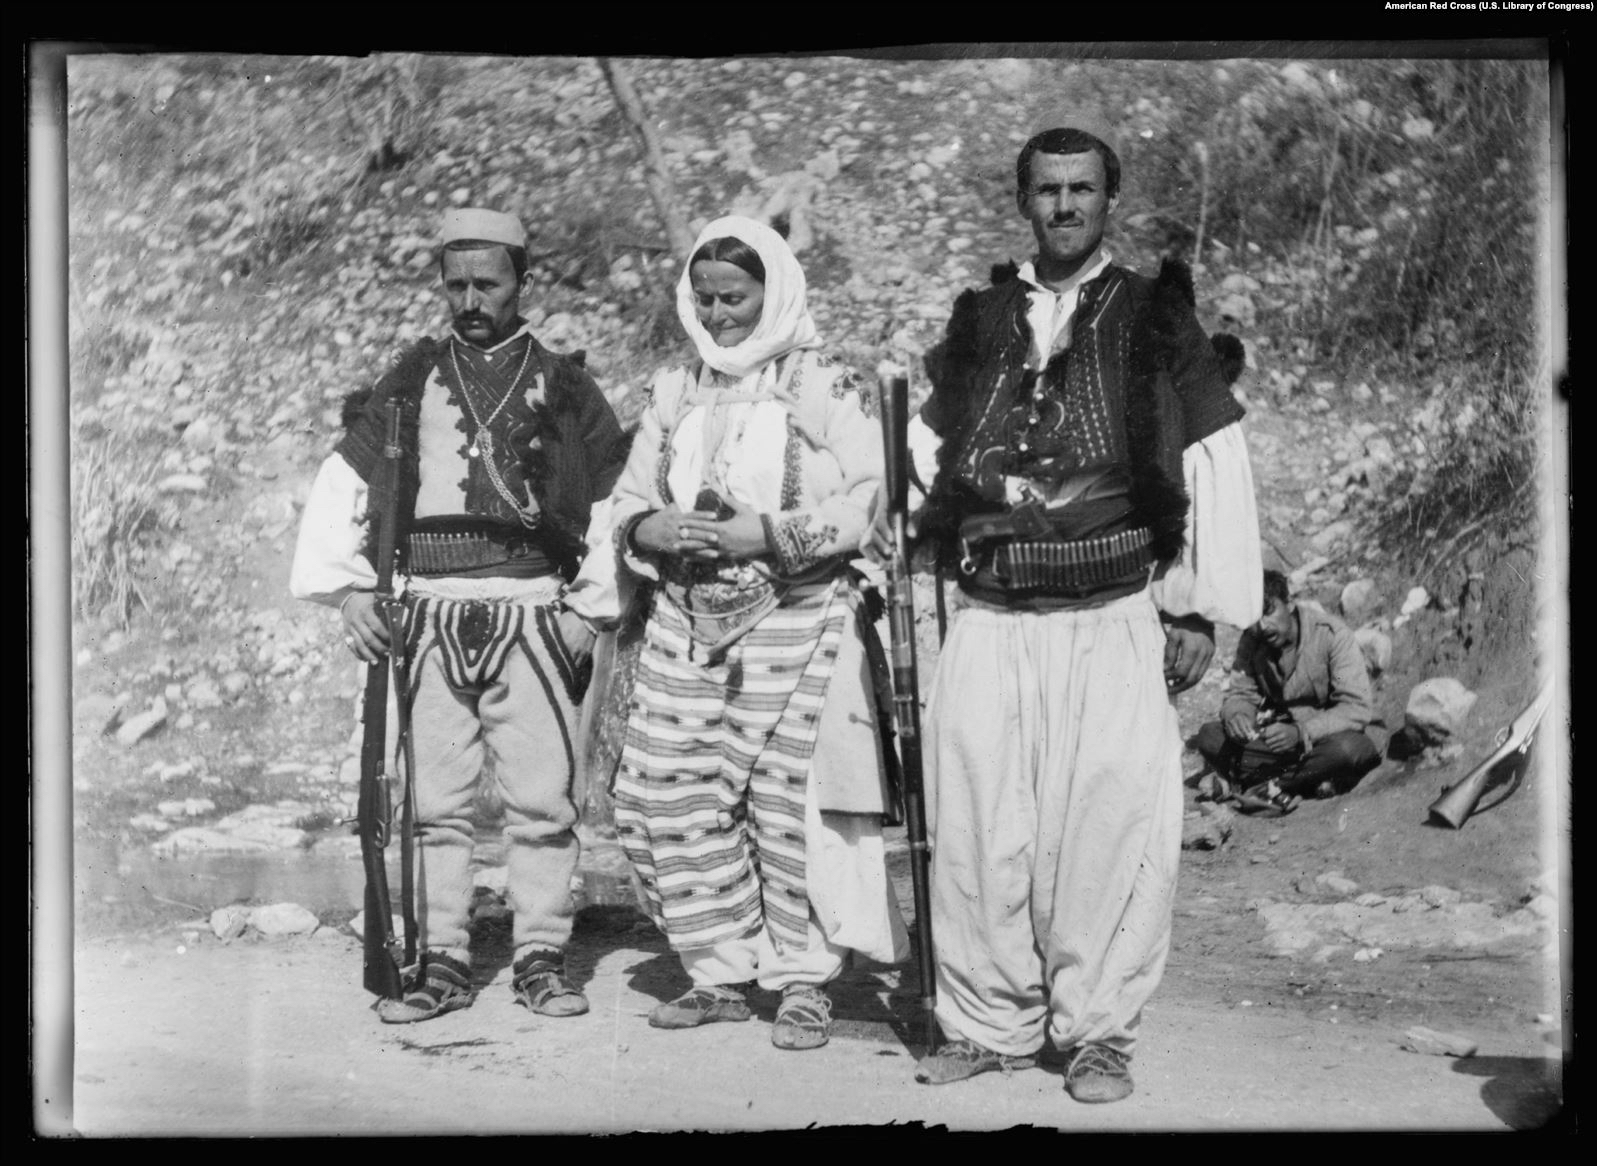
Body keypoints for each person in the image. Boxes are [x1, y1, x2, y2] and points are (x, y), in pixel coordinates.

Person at [905, 128, 1262, 1102]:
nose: (1063, 207)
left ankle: (1098, 1028)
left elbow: (1210, 453)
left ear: (1109, 200)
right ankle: (988, 1022)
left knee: (1108, 820)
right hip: (989, 610)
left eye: (1081, 190)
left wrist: (1196, 607)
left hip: (1109, 611)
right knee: (980, 822)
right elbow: (923, 448)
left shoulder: (1152, 315)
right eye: (1046, 191)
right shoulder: (979, 317)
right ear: (1022, 201)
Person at [571, 214, 908, 1051]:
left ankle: (802, 981)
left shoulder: (825, 382)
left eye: (736, 297)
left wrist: (766, 535)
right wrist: (649, 530)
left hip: (799, 615)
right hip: (687, 621)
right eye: (705, 298)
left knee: (788, 802)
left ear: (775, 292)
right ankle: (718, 970)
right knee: (662, 794)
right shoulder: (675, 388)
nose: (719, 315)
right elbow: (626, 498)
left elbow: (873, 495)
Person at [290, 208, 629, 1024]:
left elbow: (621, 498)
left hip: (536, 616)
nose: (471, 299)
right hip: (430, 615)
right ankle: (441, 959)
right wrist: (350, 591)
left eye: (488, 283)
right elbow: (344, 482)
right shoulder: (408, 379)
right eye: (456, 285)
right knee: (434, 805)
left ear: (521, 281)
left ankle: (541, 955)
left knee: (544, 803)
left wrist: (591, 611)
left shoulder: (566, 382)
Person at [1194, 569, 1385, 812]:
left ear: (1290, 603)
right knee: (1210, 736)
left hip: (1331, 737)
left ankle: (1262, 786)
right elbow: (1241, 694)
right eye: (1253, 618)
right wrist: (1237, 716)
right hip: (1282, 744)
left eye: (1269, 612)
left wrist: (1301, 731)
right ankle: (1301, 782)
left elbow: (1354, 708)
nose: (1262, 626)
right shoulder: (1252, 640)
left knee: (1348, 751)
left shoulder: (1332, 636)